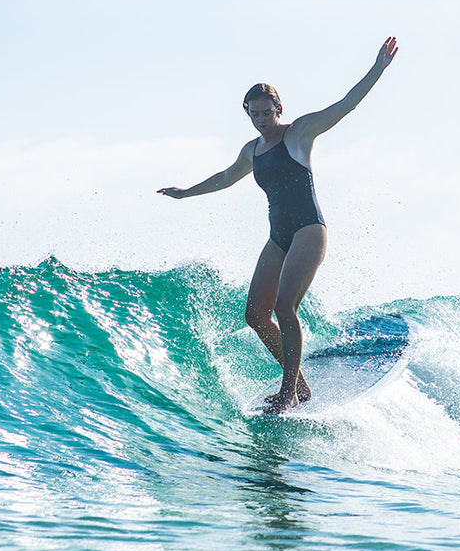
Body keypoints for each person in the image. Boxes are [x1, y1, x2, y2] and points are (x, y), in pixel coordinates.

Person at [158, 37, 399, 413]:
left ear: (279, 109)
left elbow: (346, 105)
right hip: (278, 237)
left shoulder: (299, 133)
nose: (261, 120)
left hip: (308, 230)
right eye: (254, 115)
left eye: (267, 113)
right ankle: (299, 385)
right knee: (255, 313)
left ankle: (287, 394)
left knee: (286, 308)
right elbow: (225, 177)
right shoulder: (251, 151)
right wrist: (186, 193)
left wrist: (378, 68)